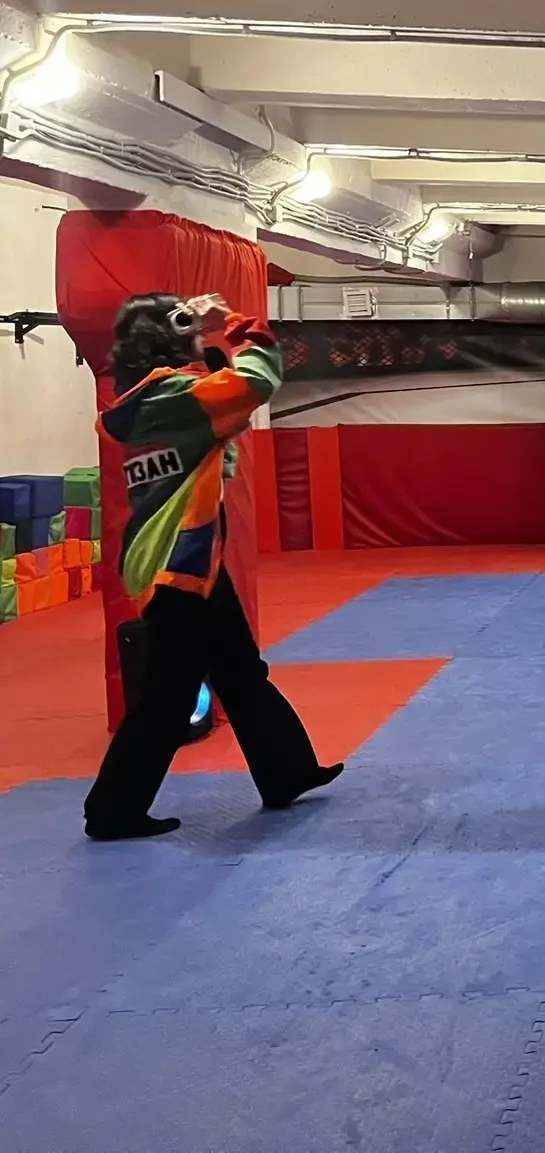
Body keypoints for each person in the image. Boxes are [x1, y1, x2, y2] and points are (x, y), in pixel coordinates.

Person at [83, 293, 342, 841]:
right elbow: (255, 383)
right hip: (180, 565)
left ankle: (286, 771)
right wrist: (242, 329)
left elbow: (219, 433)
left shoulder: (150, 404)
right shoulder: (177, 399)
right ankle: (112, 810)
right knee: (168, 698)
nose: (199, 336)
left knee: (241, 672)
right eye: (189, 330)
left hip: (191, 563)